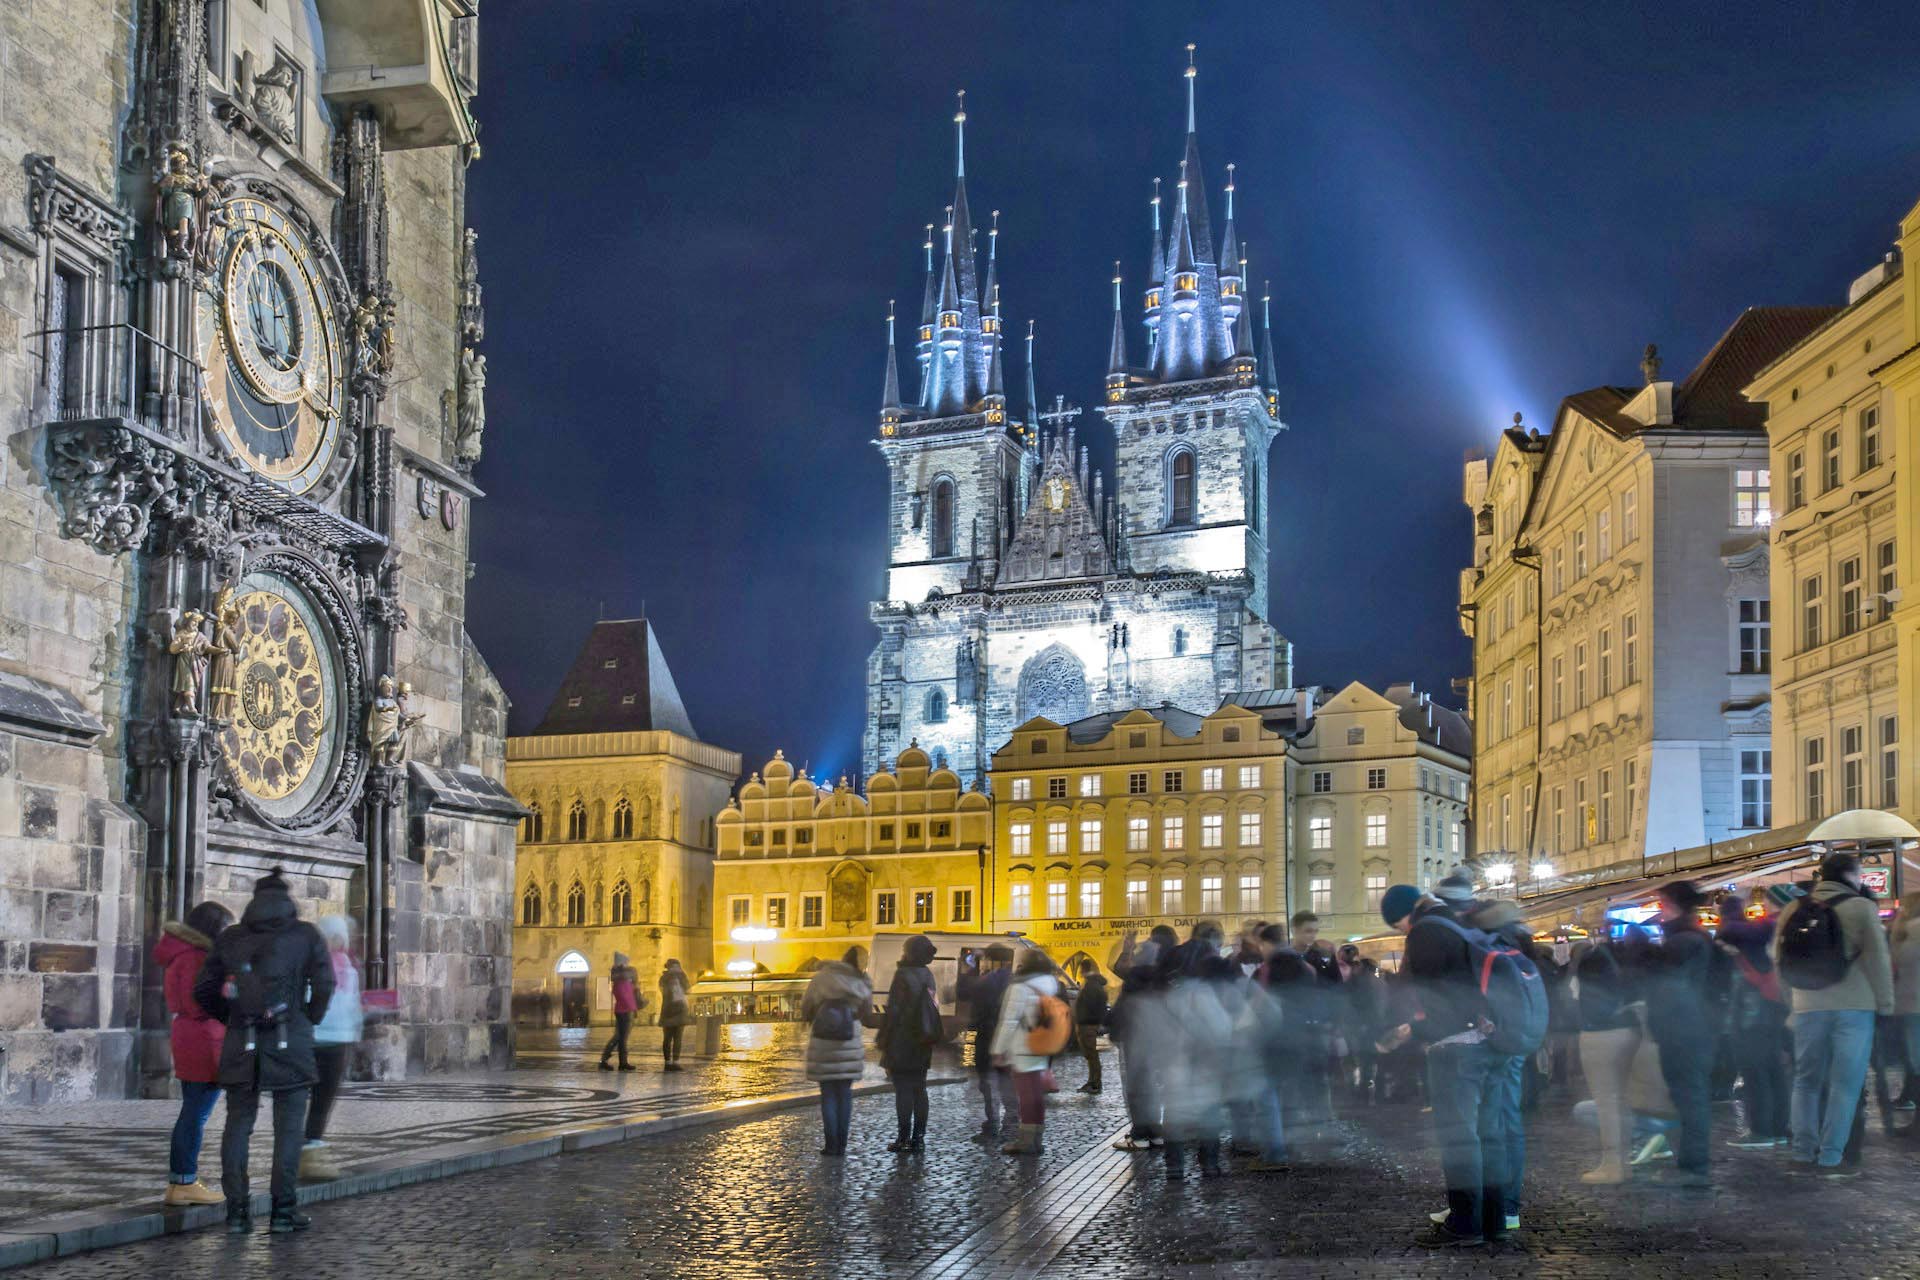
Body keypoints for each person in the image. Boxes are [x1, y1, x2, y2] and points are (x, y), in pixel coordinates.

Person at [193, 870, 333, 1234]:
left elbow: (204, 989)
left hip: (244, 1039)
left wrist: (234, 1018)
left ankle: (237, 1213)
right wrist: (308, 1018)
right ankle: (283, 1212)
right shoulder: (306, 935)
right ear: (287, 900)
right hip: (291, 1037)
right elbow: (324, 984)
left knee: (238, 1125)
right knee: (288, 1131)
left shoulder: (232, 937)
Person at [1376, 884, 1510, 1250]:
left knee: (1459, 1138)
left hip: (1457, 1049)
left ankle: (1465, 1224)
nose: (1403, 934)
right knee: (1490, 1136)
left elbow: (1443, 1004)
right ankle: (1494, 1220)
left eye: (1398, 927)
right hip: (1491, 1041)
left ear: (1403, 916)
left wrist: (1412, 1028)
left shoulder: (1426, 933)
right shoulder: (1459, 922)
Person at [1777, 852, 1895, 1175]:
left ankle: (1802, 1153)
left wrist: (1792, 1005)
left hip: (1807, 1006)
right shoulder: (1862, 908)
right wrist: (1885, 1005)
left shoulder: (1793, 909)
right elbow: (1878, 960)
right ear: (1851, 876)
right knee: (1846, 1084)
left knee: (1806, 1081)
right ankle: (1830, 1157)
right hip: (1854, 1006)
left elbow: (1780, 963)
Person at [1637, 880, 1717, 1189]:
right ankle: (1689, 1159)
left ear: (1675, 906)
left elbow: (1671, 986)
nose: (1659, 911)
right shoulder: (1688, 938)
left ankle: (1694, 1164)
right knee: (1686, 1095)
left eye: (1662, 904)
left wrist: (1642, 955)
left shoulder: (1685, 941)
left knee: (1690, 1096)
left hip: (1687, 1030)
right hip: (1687, 1028)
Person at [155, 900, 233, 1206]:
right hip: (204, 1038)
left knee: (194, 1110)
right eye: (225, 929)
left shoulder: (183, 954)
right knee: (195, 1113)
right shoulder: (198, 958)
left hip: (191, 1035)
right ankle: (183, 1180)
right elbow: (200, 1001)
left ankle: (182, 1181)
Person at [1717, 889, 1791, 1148]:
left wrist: (1731, 911)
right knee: (1773, 1072)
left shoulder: (1754, 932)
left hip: (1753, 1016)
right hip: (1773, 1010)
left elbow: (1729, 932)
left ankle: (1762, 1131)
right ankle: (1780, 1128)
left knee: (1756, 1073)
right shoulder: (1771, 932)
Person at [299, 915, 362, 1181]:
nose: (337, 941)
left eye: (340, 937)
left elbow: (351, 1004)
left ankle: (312, 1149)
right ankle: (298, 1151)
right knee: (301, 1098)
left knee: (322, 1100)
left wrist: (357, 1024)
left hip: (339, 1041)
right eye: (333, 936)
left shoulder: (349, 968)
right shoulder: (310, 965)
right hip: (313, 1038)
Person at [1573, 940, 1641, 1183]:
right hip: (1629, 1029)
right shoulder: (1626, 962)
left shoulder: (1591, 963)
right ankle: (1623, 1162)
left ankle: (1612, 1165)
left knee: (1607, 1103)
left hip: (1599, 1033)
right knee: (1622, 1100)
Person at [801, 945, 876, 1157]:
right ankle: (841, 1145)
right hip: (848, 1040)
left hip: (823, 1041)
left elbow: (806, 1008)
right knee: (844, 1094)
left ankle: (830, 1144)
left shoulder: (822, 978)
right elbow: (867, 1013)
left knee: (828, 1095)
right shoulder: (862, 981)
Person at [1108, 927, 1176, 1151]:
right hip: (1160, 1036)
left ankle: (1140, 1134)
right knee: (1152, 1085)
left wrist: (1127, 947)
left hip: (1135, 1035)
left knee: (1137, 1084)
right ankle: (1155, 1132)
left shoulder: (1139, 975)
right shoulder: (1167, 974)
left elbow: (1120, 969)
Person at [991, 949, 1062, 1155]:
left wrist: (998, 1048)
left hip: (1023, 1045)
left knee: (1026, 1095)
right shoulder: (1050, 983)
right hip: (1042, 1043)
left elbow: (1010, 1020)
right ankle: (1036, 1138)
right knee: (1036, 1094)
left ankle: (1027, 1141)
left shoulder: (1020, 987)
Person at [878, 933, 941, 1153]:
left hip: (903, 1040)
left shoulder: (903, 974)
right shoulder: (928, 974)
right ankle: (919, 1138)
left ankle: (903, 1138)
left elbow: (894, 1011)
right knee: (920, 1090)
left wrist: (885, 1040)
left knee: (903, 1090)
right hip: (923, 1040)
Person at [957, 944, 1017, 1141]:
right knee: (1008, 1084)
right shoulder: (1015, 982)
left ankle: (992, 1126)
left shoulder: (985, 982)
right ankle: (1010, 1126)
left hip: (986, 1039)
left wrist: (968, 1052)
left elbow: (968, 1004)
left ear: (990, 960)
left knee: (988, 1086)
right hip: (1010, 1042)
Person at [1894, 894, 1920, 1111]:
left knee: (1915, 1058)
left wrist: (1897, 928)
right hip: (1913, 1002)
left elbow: (1898, 960)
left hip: (1913, 1003)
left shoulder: (1912, 932)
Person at [599, 952, 644, 1071]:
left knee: (619, 1037)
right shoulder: (623, 982)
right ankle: (619, 1062)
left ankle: (609, 1060)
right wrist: (633, 1008)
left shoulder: (618, 980)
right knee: (621, 1038)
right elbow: (626, 997)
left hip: (622, 1010)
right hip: (625, 1010)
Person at [1073, 967, 1109, 1093]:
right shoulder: (1094, 986)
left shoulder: (1091, 987)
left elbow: (1090, 1006)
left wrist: (1084, 1019)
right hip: (1088, 1023)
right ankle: (1092, 1082)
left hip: (1087, 1024)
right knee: (1090, 1055)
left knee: (1091, 1055)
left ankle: (1095, 1083)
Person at [658, 959, 693, 1072]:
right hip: (674, 1010)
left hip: (672, 1010)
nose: (676, 969)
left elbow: (687, 990)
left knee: (672, 1038)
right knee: (673, 1038)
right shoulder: (669, 978)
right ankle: (672, 1062)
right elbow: (688, 990)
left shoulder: (665, 978)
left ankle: (671, 1062)